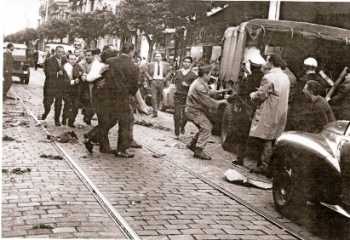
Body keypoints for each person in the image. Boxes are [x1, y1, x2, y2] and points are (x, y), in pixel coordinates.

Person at [85, 43, 139, 158]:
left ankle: (91, 137)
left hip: (108, 98)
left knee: (109, 121)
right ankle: (122, 150)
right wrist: (131, 94)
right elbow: (135, 86)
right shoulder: (133, 66)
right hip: (122, 98)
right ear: (132, 51)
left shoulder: (110, 61)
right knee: (126, 122)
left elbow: (104, 77)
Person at [246, 54, 290, 175]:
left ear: (270, 63)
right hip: (280, 112)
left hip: (268, 112)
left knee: (265, 139)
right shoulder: (285, 77)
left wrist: (252, 95)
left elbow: (261, 95)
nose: (265, 63)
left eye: (267, 61)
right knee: (273, 138)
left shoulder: (269, 77)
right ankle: (269, 165)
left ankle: (264, 165)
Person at [185, 65, 221, 160]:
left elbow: (208, 92)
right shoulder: (199, 85)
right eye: (210, 74)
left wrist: (221, 91)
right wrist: (221, 103)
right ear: (205, 74)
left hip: (194, 110)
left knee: (204, 127)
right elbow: (207, 100)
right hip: (193, 111)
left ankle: (193, 144)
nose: (211, 76)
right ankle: (199, 150)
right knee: (207, 127)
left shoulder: (200, 82)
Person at [83, 49, 116, 153]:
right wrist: (100, 73)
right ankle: (90, 136)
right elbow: (89, 78)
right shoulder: (100, 66)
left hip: (101, 98)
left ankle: (104, 147)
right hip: (101, 99)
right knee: (107, 122)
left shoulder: (108, 67)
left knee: (104, 122)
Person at [41, 46, 66, 126]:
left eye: (62, 52)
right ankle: (45, 113)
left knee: (58, 104)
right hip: (50, 86)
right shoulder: (49, 60)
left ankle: (57, 120)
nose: (60, 54)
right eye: (59, 52)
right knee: (48, 103)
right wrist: (57, 73)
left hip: (60, 86)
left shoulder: (65, 60)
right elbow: (47, 73)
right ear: (55, 51)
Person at [173, 56, 197, 138]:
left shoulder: (193, 75)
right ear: (182, 62)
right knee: (176, 115)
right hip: (178, 96)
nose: (186, 63)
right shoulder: (178, 72)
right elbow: (174, 81)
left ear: (190, 64)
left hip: (187, 97)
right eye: (185, 61)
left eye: (188, 62)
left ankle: (182, 126)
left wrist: (188, 85)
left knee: (185, 116)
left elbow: (195, 87)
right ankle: (176, 132)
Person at [146, 52, 171, 117]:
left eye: (159, 56)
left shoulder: (166, 64)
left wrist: (165, 78)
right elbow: (146, 71)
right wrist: (149, 77)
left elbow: (170, 72)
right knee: (153, 97)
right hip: (153, 81)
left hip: (161, 81)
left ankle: (157, 108)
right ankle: (155, 112)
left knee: (159, 96)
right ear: (154, 57)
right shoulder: (150, 64)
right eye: (156, 56)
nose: (158, 57)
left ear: (161, 57)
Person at [80, 49, 100, 125]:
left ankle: (88, 116)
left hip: (94, 85)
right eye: (86, 55)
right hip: (85, 86)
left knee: (93, 102)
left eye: (89, 55)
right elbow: (80, 70)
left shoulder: (96, 64)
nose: (87, 57)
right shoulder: (83, 63)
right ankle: (87, 116)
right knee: (86, 101)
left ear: (93, 56)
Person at [62, 54, 83, 128]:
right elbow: (63, 80)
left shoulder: (78, 66)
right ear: (68, 60)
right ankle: (64, 119)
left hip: (76, 90)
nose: (73, 61)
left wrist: (81, 77)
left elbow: (81, 74)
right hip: (66, 89)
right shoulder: (64, 67)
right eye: (71, 59)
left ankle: (71, 121)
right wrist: (73, 82)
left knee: (75, 106)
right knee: (68, 104)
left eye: (74, 59)